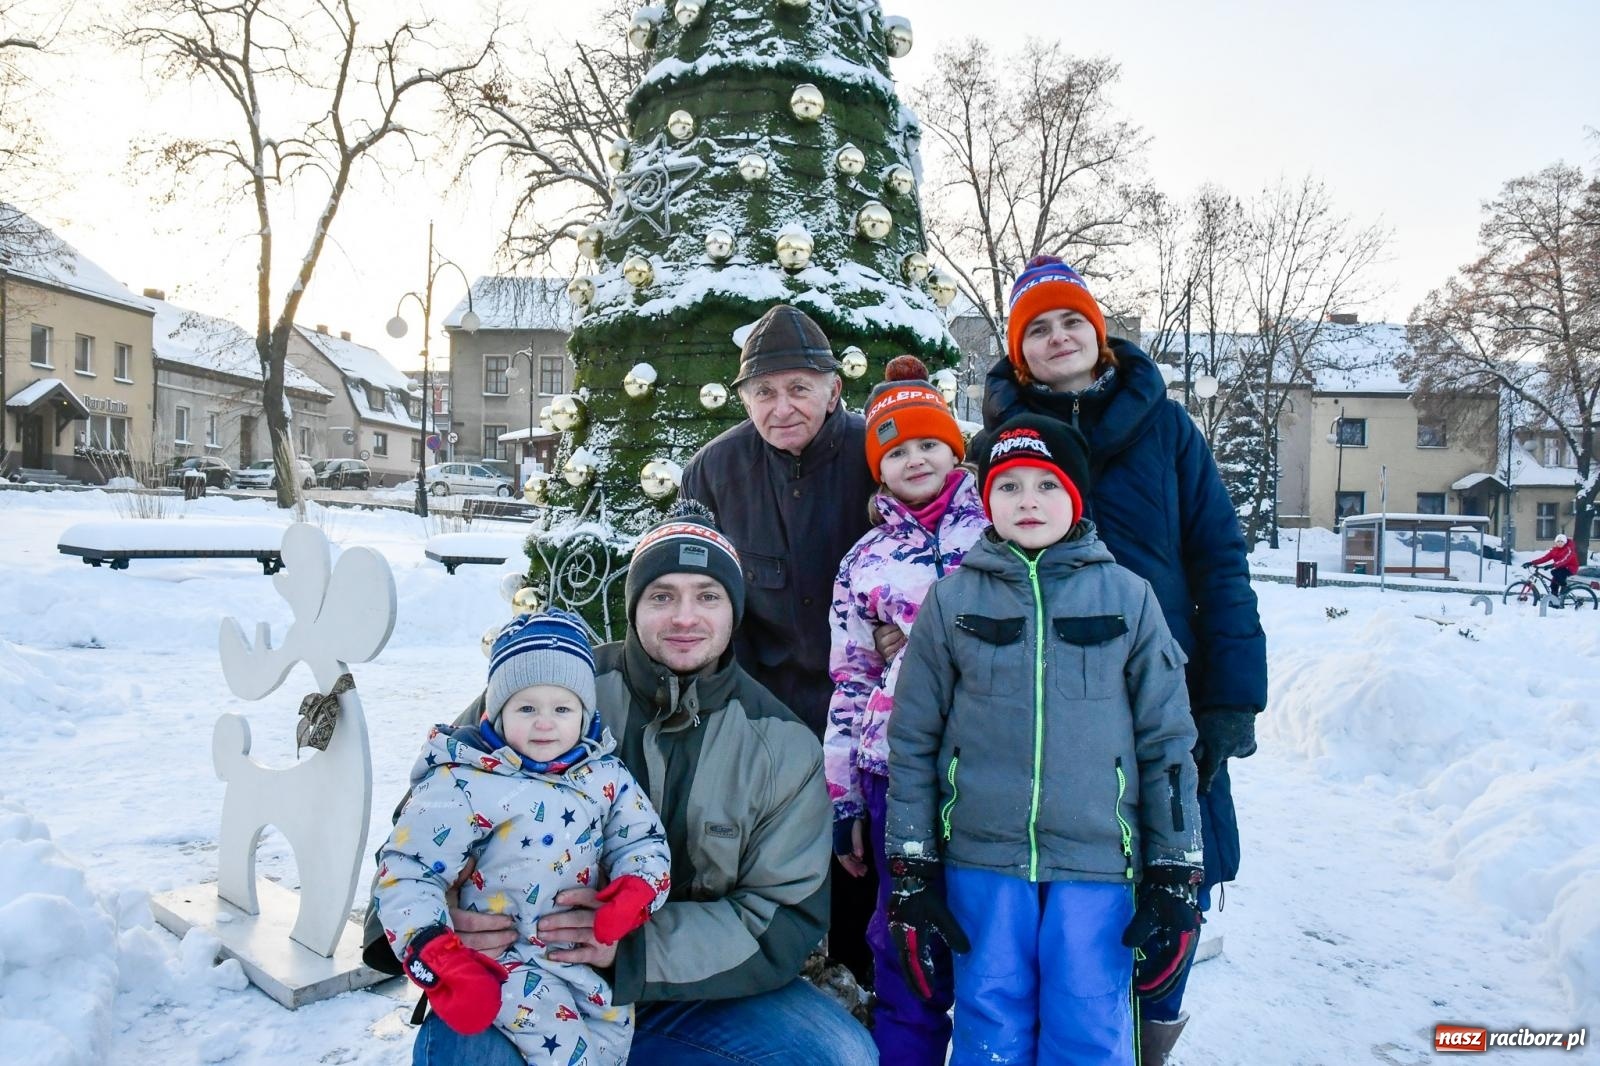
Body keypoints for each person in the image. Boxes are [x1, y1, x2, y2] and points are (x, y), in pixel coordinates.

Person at [362, 502, 876, 1066]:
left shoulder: (780, 744)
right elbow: (419, 824)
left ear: (734, 611)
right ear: (633, 608)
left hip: (689, 988)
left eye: (708, 596)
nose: (685, 617)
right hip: (519, 974)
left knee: (838, 1055)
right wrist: (434, 926)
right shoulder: (549, 688)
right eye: (662, 596)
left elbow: (782, 915)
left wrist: (629, 950)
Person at [973, 256, 1267, 1063]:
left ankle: (1150, 1041)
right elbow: (959, 555)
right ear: (1018, 349)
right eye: (1038, 328)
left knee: (1176, 879)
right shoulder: (1000, 441)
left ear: (1098, 336)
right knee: (1069, 894)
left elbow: (1219, 557)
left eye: (1073, 322)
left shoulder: (1167, 428)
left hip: (1166, 695)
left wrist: (1231, 694)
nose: (1059, 337)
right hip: (1046, 704)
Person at [884, 415, 1204, 1066]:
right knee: (988, 1028)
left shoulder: (1129, 598)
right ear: (987, 500)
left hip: (1099, 869)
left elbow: (1168, 743)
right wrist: (913, 867)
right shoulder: (950, 603)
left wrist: (1174, 869)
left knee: (1088, 1030)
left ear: (1076, 497)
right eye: (1009, 487)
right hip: (982, 865)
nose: (1027, 501)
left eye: (1046, 486)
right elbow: (913, 739)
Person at [680, 302, 879, 983]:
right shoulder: (714, 472)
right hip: (764, 717)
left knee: (861, 879)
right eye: (764, 392)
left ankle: (860, 992)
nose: (782, 406)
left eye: (799, 387)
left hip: (867, 720)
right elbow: (688, 587)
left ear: (833, 389)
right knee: (768, 879)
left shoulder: (878, 454)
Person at [374, 610, 671, 1065]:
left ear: (585, 715)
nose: (545, 723)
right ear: (495, 711)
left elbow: (641, 841)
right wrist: (436, 950)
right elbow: (408, 869)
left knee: (608, 1047)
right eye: (527, 707)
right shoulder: (464, 782)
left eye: (562, 708)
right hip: (502, 963)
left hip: (581, 961)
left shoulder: (604, 774)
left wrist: (635, 892)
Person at [824, 355, 989, 1065]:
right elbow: (850, 679)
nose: (915, 458)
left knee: (990, 940)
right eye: (897, 449)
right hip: (895, 772)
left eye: (929, 442)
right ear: (879, 467)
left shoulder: (1001, 524)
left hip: (997, 766)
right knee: (905, 940)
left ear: (955, 448)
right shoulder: (865, 560)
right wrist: (845, 799)